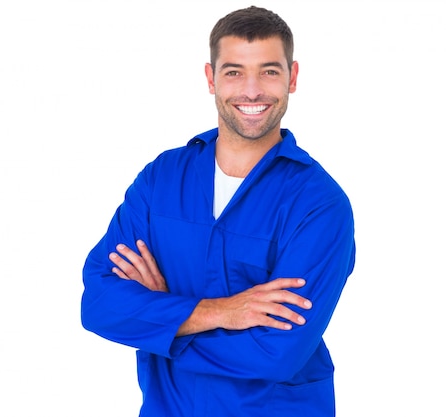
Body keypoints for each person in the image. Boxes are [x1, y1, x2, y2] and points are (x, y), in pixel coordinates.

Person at [81, 5, 356, 416]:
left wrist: (162, 317)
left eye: (269, 71)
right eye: (233, 72)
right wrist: (221, 312)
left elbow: (277, 351)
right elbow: (101, 305)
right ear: (210, 79)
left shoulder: (318, 204)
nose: (251, 90)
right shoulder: (162, 179)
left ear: (292, 77)